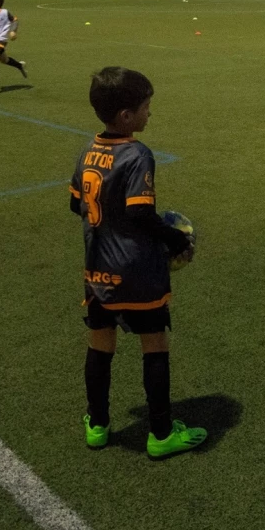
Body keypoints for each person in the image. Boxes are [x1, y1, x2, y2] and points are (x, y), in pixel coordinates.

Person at [69, 66, 207, 459]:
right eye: (146, 108)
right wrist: (177, 239)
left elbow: (75, 203)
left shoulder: (88, 149)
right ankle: (161, 434)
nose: (150, 114)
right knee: (155, 345)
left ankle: (97, 425)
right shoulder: (137, 153)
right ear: (127, 116)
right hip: (137, 271)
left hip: (96, 270)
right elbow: (142, 214)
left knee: (100, 346)